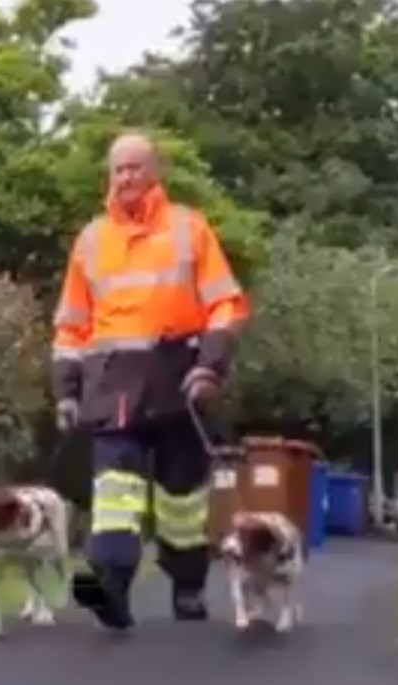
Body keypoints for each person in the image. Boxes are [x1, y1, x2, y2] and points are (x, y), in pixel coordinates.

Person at [50, 131, 250, 630]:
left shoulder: (189, 228)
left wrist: (210, 365)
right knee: (114, 494)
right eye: (118, 169)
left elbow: (226, 305)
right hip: (110, 387)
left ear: (154, 172)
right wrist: (66, 392)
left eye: (135, 167)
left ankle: (187, 587)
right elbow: (71, 325)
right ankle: (110, 590)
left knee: (181, 497)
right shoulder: (92, 239)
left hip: (177, 379)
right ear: (109, 176)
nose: (126, 177)